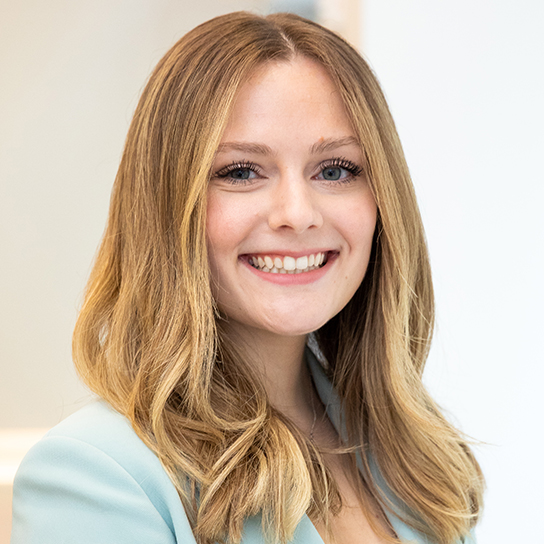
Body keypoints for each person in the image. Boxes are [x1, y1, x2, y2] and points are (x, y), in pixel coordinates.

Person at [10, 11, 484, 544]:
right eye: (240, 172)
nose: (297, 214)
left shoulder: (412, 457)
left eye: (335, 170)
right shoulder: (93, 477)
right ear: (167, 205)